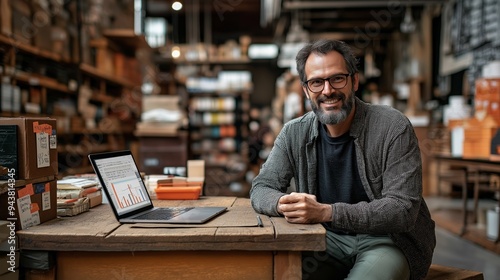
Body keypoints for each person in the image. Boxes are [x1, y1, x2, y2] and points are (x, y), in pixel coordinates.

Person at [250, 39, 436, 280]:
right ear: (306, 90)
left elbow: (402, 209)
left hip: (387, 242)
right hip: (322, 240)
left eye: (337, 78)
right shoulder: (294, 133)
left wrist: (327, 213)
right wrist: (285, 202)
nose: (328, 90)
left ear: (354, 81)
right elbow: (262, 187)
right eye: (317, 82)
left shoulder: (392, 127)